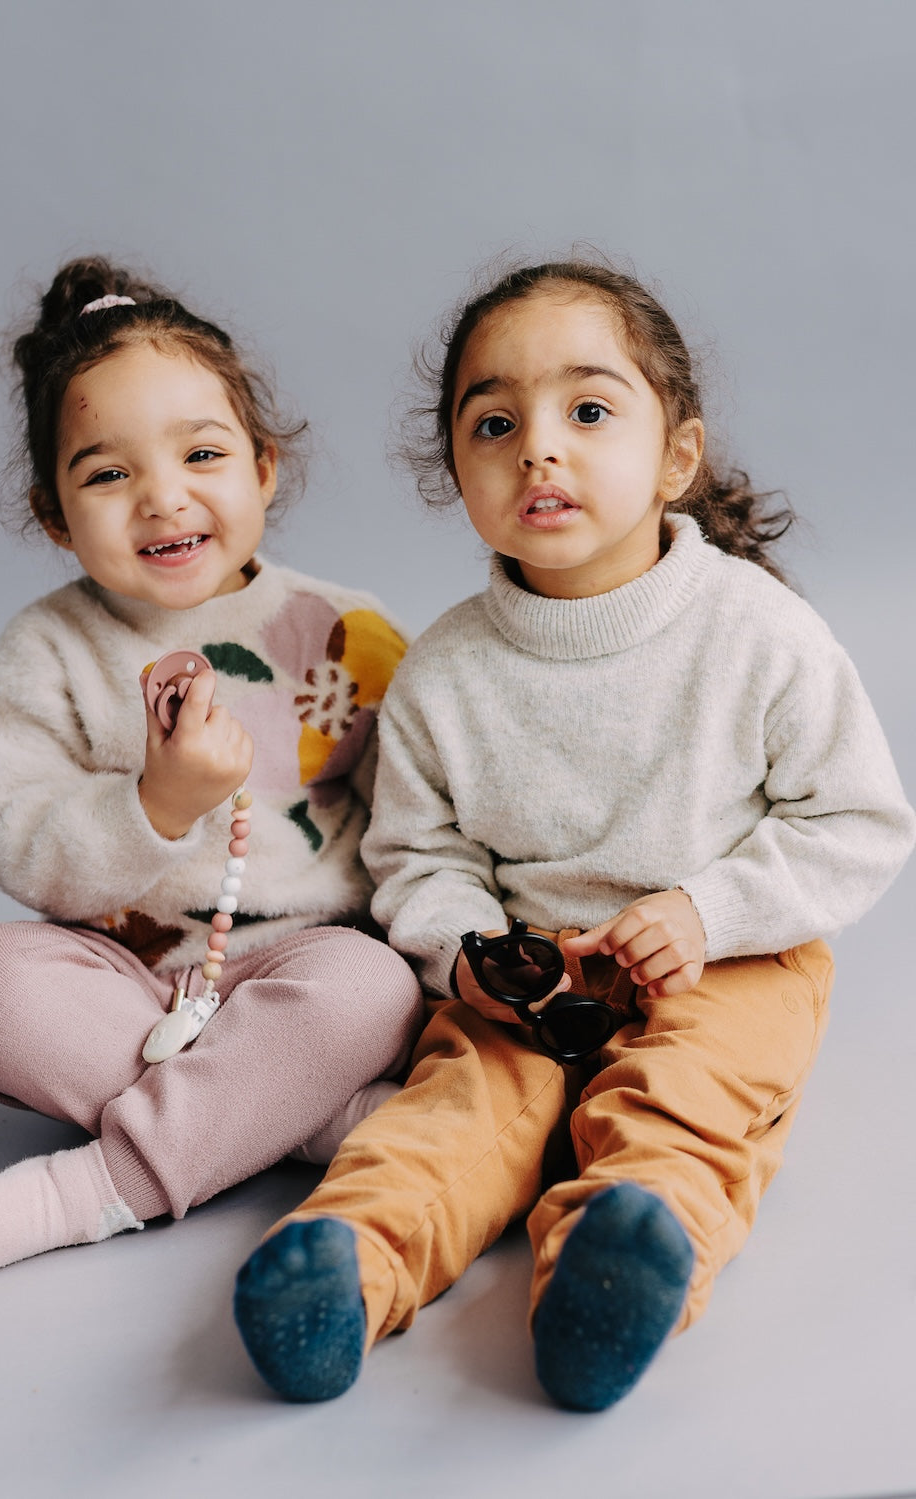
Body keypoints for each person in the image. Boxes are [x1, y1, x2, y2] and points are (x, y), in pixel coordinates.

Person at [232, 258, 915, 1410]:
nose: (538, 449)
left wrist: (705, 910)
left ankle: (619, 1257)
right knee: (453, 1107)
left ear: (676, 457)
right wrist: (474, 956)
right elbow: (419, 855)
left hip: (729, 957)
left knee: (683, 1096)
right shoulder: (446, 669)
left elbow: (855, 818)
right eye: (495, 423)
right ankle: (349, 1257)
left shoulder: (760, 633)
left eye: (588, 411)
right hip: (533, 971)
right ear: (457, 471)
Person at [0, 256, 423, 1300]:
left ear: (264, 467)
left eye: (201, 453)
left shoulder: (350, 632)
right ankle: (304, 1119)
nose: (161, 497)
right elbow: (14, 835)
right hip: (127, 981)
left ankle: (84, 1191)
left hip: (302, 966)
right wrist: (157, 806)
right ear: (53, 513)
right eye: (107, 474)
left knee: (371, 989)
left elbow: (423, 825)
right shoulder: (48, 648)